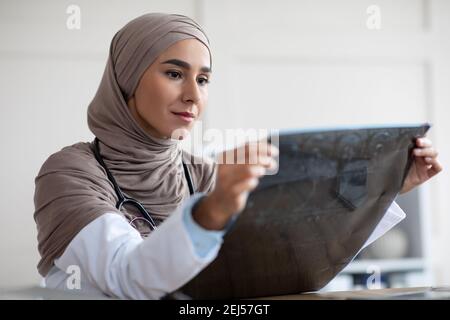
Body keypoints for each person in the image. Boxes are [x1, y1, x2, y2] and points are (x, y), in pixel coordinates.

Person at [33, 13, 442, 299]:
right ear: (127, 79)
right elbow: (130, 279)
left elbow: (293, 262)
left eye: (204, 79)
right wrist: (211, 212)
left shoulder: (202, 173)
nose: (194, 95)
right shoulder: (70, 173)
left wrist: (387, 186)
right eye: (174, 73)